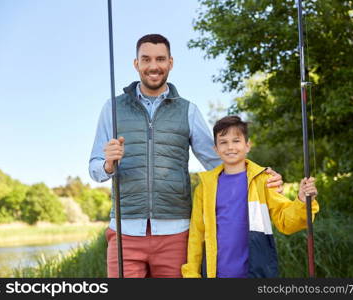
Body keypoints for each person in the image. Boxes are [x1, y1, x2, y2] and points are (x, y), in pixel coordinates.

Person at [89, 34, 284, 278]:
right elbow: (94, 168)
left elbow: (222, 161)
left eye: (160, 59)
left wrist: (262, 176)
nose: (153, 66)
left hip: (176, 232)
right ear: (136, 64)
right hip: (124, 231)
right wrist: (108, 163)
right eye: (146, 59)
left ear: (170, 63)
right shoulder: (112, 109)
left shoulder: (188, 110)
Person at [181, 115, 320, 278]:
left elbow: (285, 221)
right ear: (216, 150)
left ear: (247, 145)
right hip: (215, 274)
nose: (230, 147)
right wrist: (191, 273)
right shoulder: (204, 187)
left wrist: (303, 201)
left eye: (236, 140)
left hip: (255, 273)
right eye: (223, 142)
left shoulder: (264, 180)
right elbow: (197, 235)